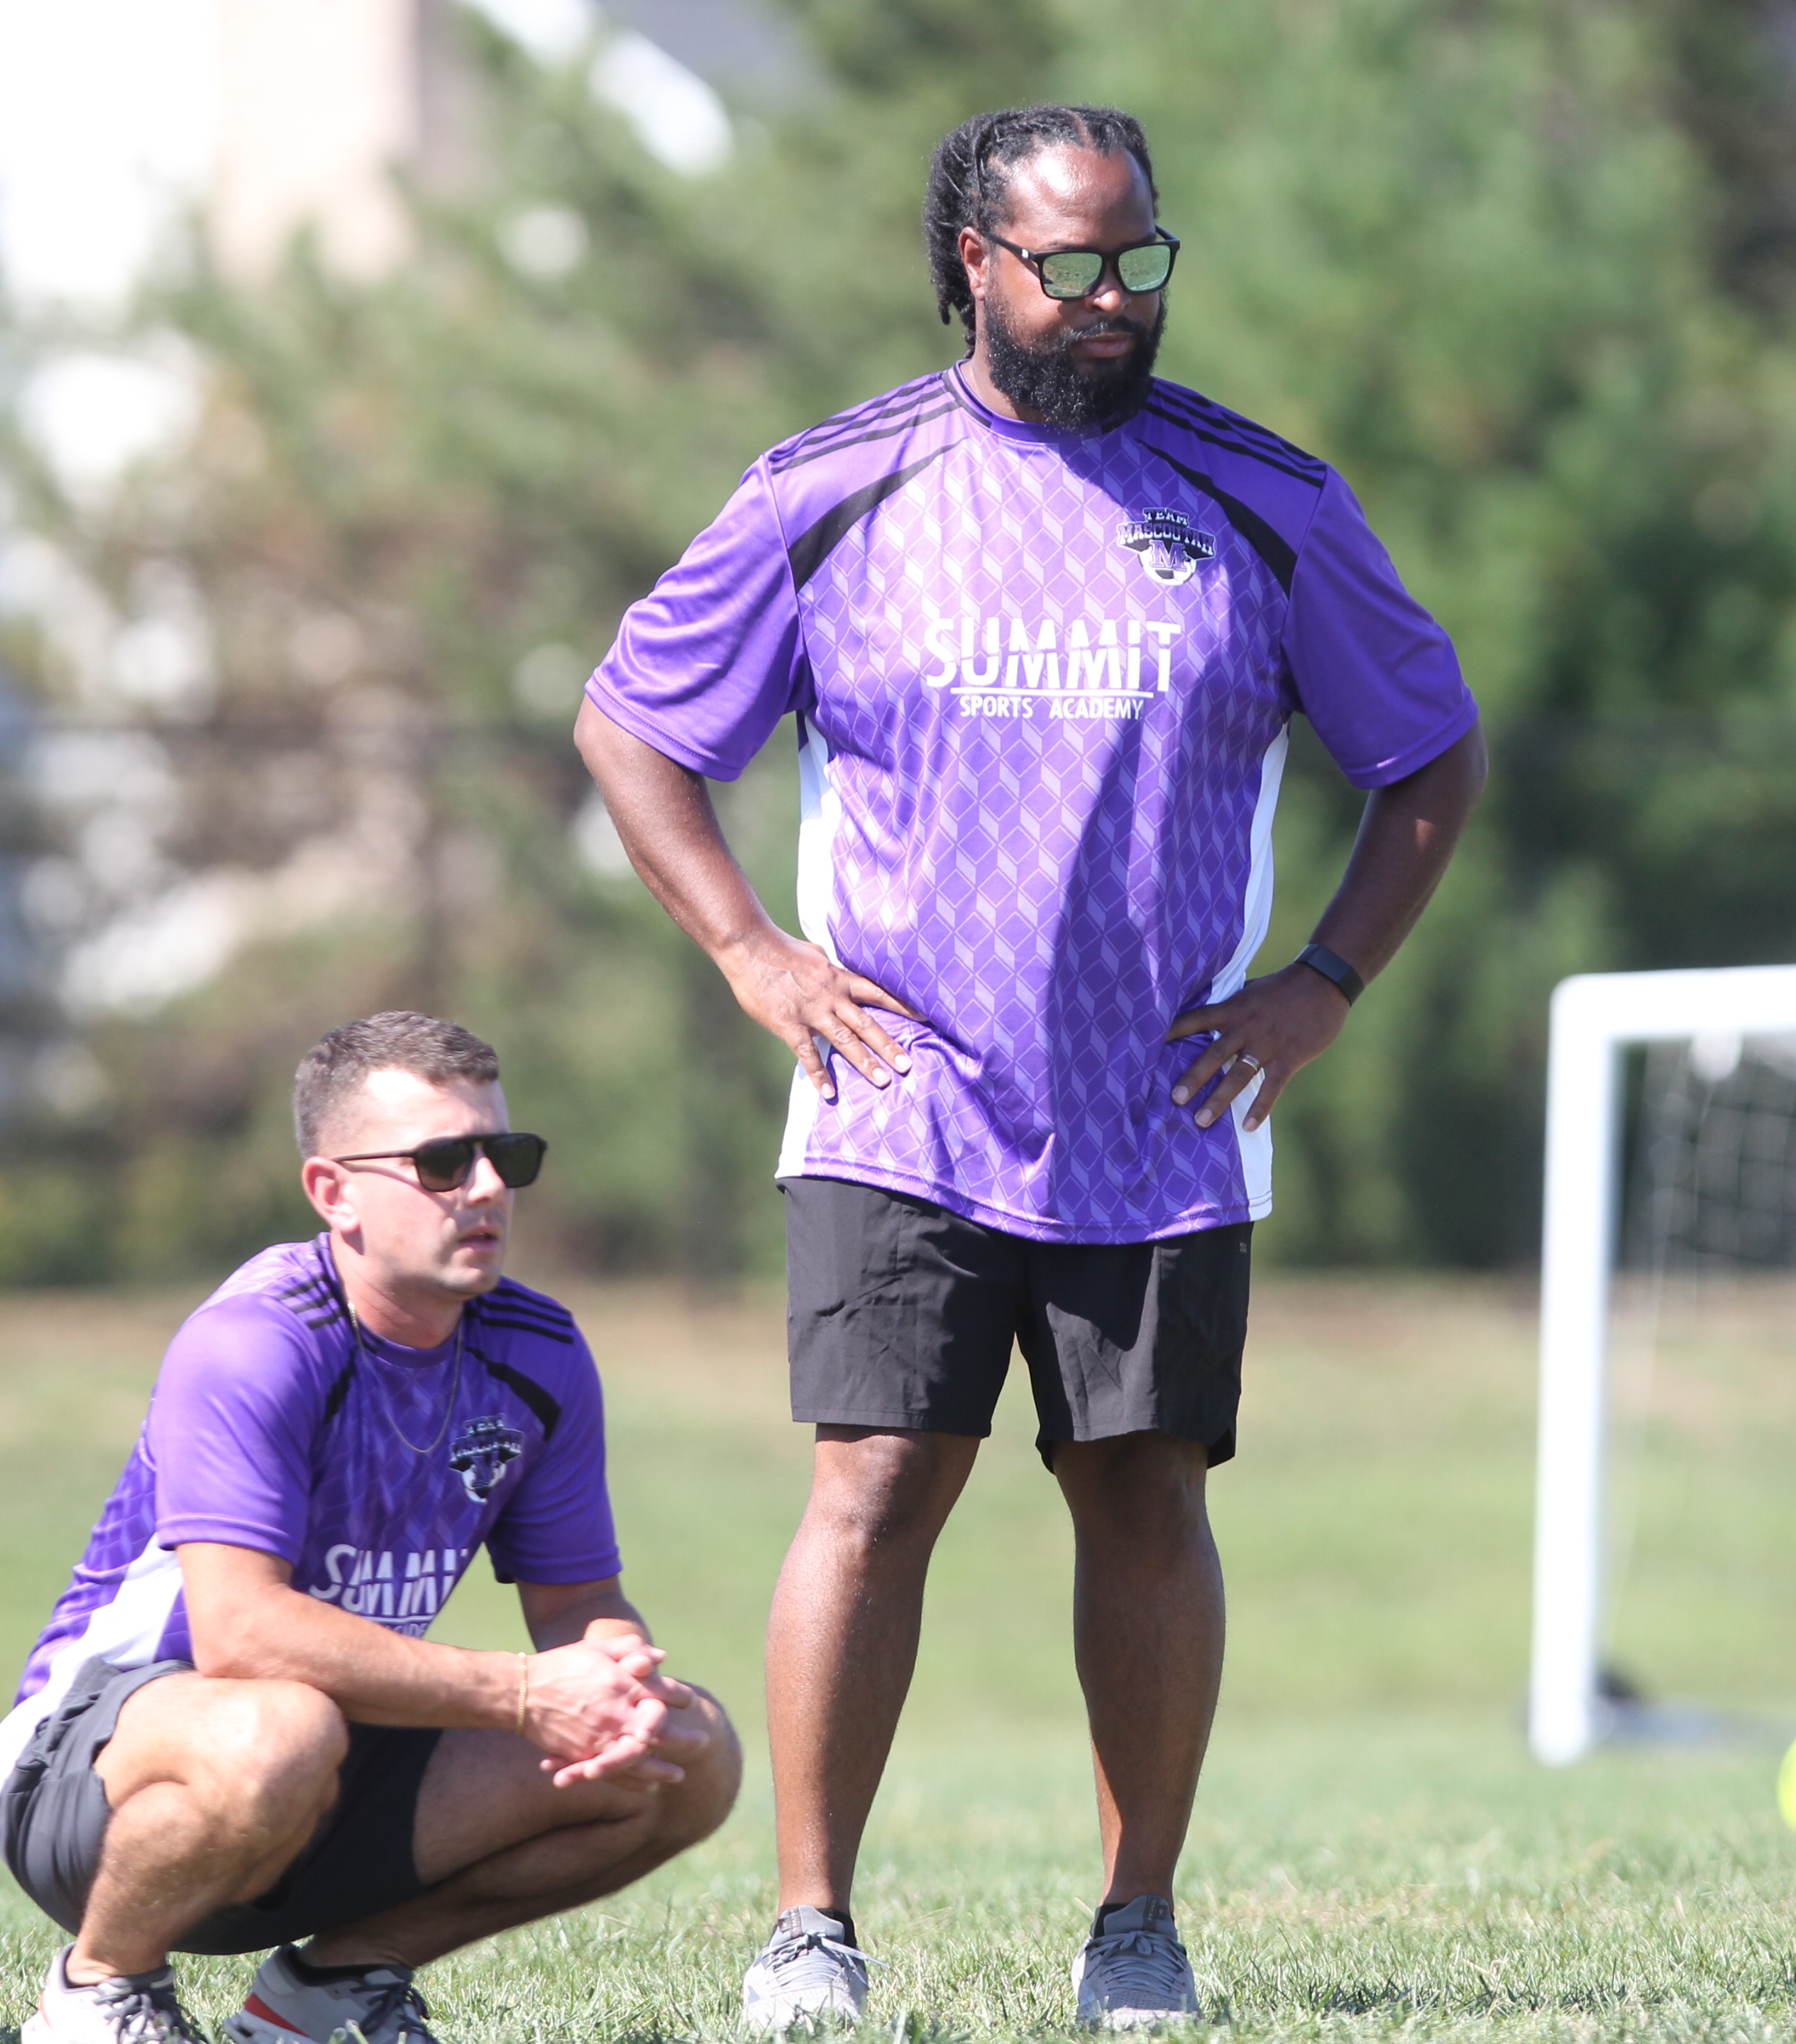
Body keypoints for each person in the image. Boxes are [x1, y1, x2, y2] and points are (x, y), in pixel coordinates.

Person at [574, 101, 1484, 2033]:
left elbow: (1430, 749)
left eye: (1141, 259)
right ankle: (810, 1932)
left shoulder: (1263, 501)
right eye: (1071, 263)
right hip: (897, 1101)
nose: (1114, 297)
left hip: (1162, 1118)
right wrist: (747, 951)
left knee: (1145, 1501)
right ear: (973, 264)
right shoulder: (834, 488)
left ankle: (1137, 1930)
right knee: (874, 1484)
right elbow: (634, 722)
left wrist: (1323, 983)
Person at [0, 1013, 739, 2044]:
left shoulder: (540, 1353)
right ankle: (99, 1990)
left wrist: (617, 1683)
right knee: (283, 1728)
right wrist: (524, 1693)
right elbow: (240, 1636)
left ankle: (325, 1992)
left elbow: (579, 1601)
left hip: (325, 1760)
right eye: (442, 1162)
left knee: (690, 1754)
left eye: (506, 1155)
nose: (486, 1188)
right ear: (333, 1193)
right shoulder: (257, 1342)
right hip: (98, 1774)